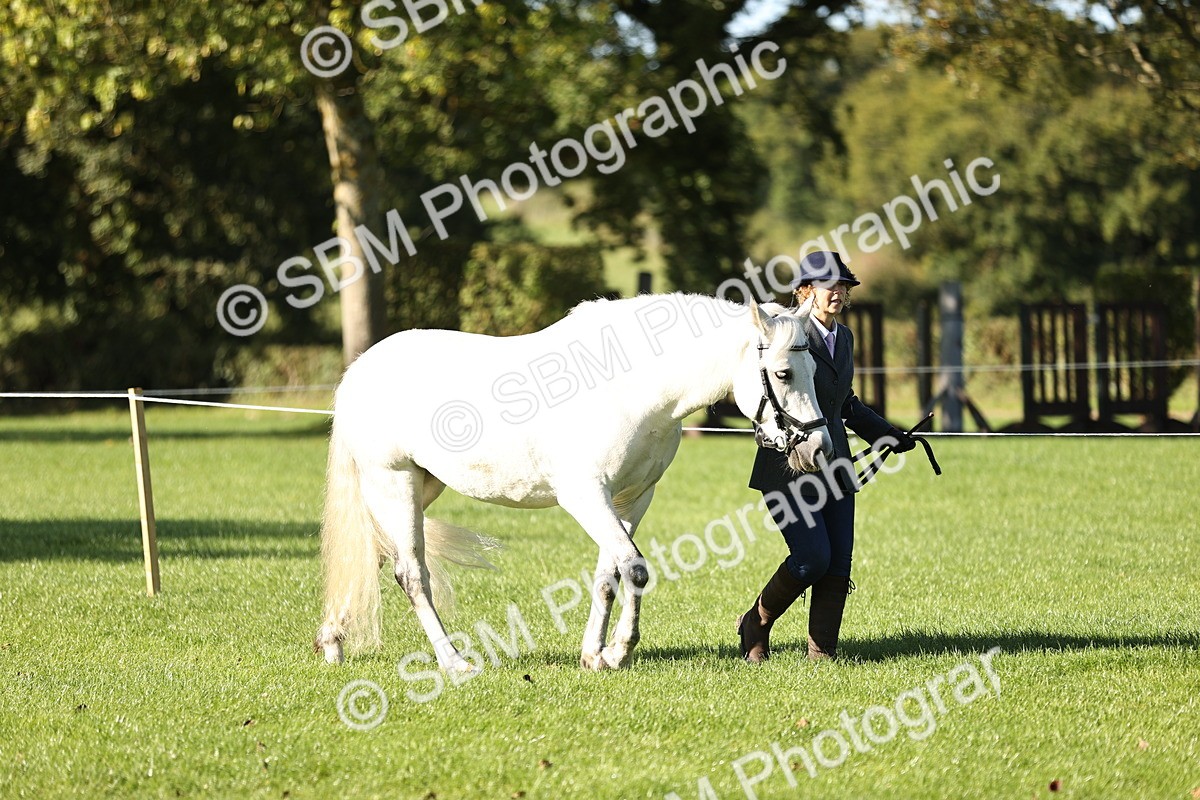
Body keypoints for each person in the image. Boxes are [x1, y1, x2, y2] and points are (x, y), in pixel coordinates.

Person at [738, 251, 916, 664]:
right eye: (827, 285)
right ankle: (755, 622)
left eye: (843, 285)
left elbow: (846, 403)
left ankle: (823, 654)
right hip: (787, 465)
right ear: (805, 292)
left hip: (836, 462)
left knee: (837, 563)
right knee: (811, 557)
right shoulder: (784, 333)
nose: (837, 292)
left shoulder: (845, 337)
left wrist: (887, 433)